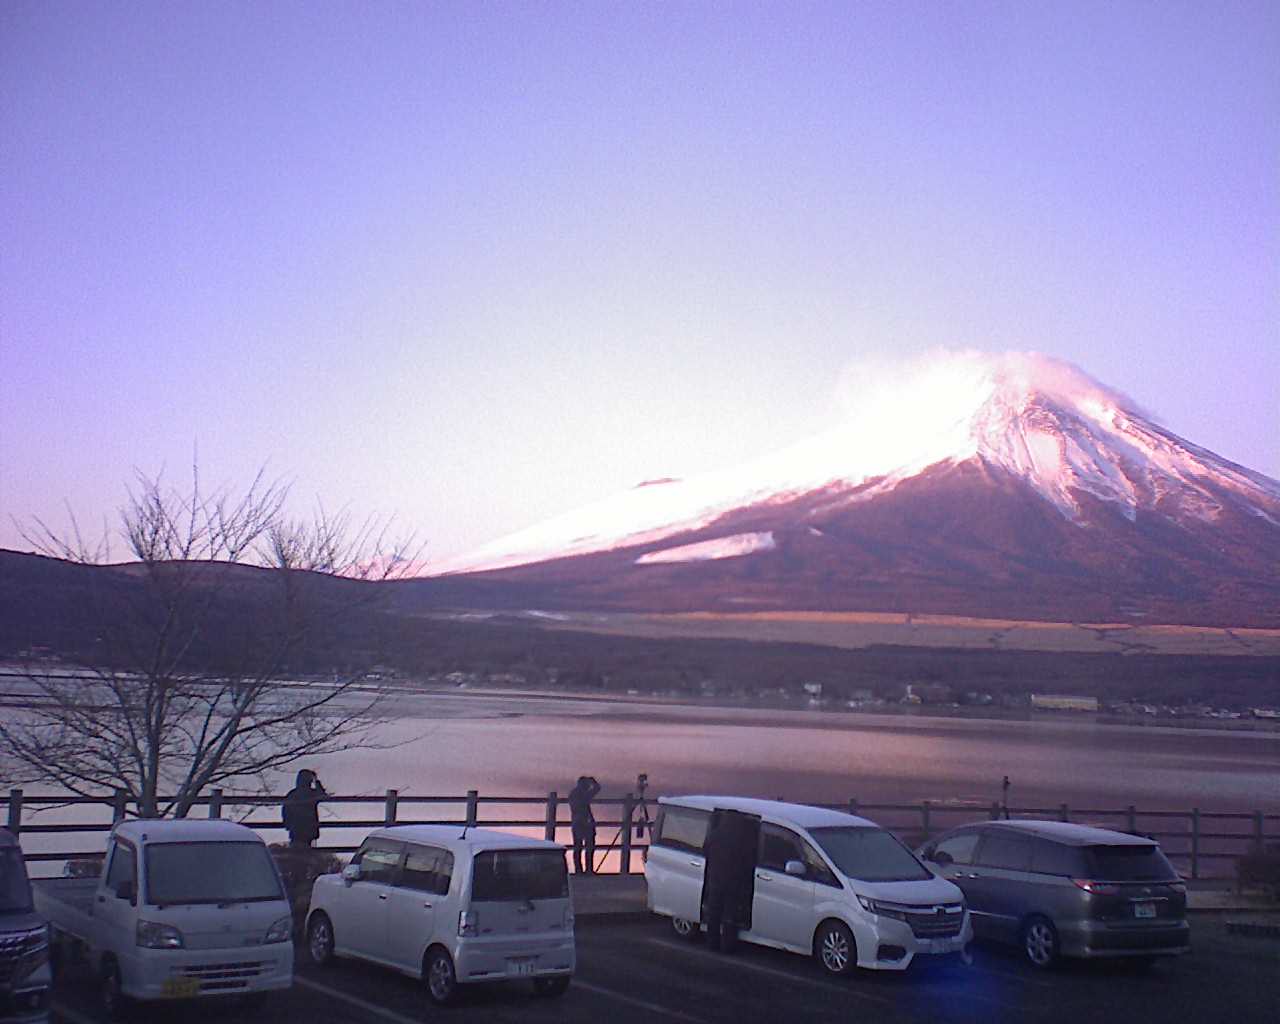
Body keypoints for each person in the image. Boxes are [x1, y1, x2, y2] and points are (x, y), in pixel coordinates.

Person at [282, 769, 328, 848]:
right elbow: (323, 796)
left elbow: (285, 810)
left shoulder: (293, 794)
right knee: (307, 851)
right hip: (308, 828)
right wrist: (316, 781)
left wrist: (287, 824)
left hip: (296, 828)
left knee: (297, 851)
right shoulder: (311, 793)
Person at [567, 776, 601, 874]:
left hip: (578, 823)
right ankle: (587, 870)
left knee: (579, 847)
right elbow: (597, 788)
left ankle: (580, 870)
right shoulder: (582, 794)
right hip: (584, 824)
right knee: (587, 847)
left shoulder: (574, 793)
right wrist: (593, 781)